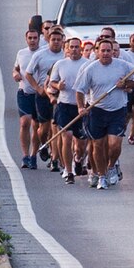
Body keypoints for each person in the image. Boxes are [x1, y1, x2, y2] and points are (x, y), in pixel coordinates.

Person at [74, 37, 134, 190]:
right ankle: (101, 176)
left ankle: (112, 166)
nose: (106, 53)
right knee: (98, 145)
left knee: (114, 145)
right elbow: (80, 90)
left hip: (117, 110)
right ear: (97, 52)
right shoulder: (90, 69)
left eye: (109, 51)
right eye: (103, 51)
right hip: (97, 110)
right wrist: (81, 107)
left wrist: (125, 84)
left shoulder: (123, 66)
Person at [46, 36, 86, 183]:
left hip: (81, 107)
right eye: (71, 47)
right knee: (66, 137)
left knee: (81, 144)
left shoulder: (87, 64)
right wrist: (58, 86)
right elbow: (52, 82)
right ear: (66, 49)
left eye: (77, 47)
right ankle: (68, 171)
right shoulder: (60, 64)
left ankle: (78, 158)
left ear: (80, 48)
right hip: (64, 105)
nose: (74, 50)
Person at [25, 26, 66, 169]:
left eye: (58, 40)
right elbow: (28, 74)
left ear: (62, 41)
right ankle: (44, 144)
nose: (56, 42)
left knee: (56, 127)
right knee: (44, 128)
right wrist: (38, 88)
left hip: (60, 96)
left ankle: (55, 159)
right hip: (43, 95)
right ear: (48, 40)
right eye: (53, 39)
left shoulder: (65, 56)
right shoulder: (40, 55)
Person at [11, 26, 45, 170]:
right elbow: (16, 69)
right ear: (26, 39)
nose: (32, 41)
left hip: (39, 95)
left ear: (39, 39)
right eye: (30, 38)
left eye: (35, 38)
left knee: (36, 126)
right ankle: (25, 155)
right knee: (25, 122)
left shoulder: (43, 53)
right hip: (24, 93)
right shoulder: (21, 53)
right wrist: (15, 74)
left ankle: (33, 155)